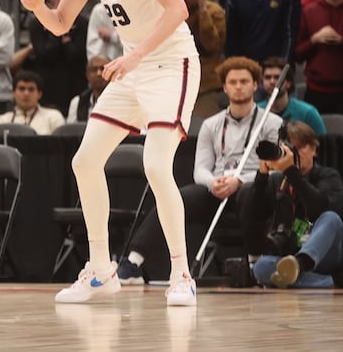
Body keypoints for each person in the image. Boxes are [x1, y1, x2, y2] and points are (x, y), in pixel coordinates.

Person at [23, 0, 202, 307]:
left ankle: (181, 273)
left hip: (170, 63)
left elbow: (178, 8)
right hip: (132, 67)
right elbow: (63, 24)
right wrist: (40, 10)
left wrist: (136, 55)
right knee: (85, 161)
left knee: (157, 166)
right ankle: (102, 270)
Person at [117, 58, 280, 286]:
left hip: (252, 186)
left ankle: (255, 264)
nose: (238, 86)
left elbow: (276, 169)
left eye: (244, 81)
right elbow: (200, 169)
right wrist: (213, 182)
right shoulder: (211, 124)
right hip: (218, 187)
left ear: (255, 85)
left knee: (252, 192)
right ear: (224, 87)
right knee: (176, 198)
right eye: (232, 82)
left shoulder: (272, 123)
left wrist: (239, 180)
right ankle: (133, 262)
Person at [245, 121, 343, 289]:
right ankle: (338, 280)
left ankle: (301, 265)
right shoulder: (277, 182)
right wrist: (262, 176)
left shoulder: (328, 175)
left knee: (331, 218)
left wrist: (291, 172)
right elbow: (251, 215)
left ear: (314, 149)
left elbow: (319, 208)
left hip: (332, 254)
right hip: (292, 256)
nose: (296, 153)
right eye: (290, 148)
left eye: (300, 147)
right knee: (261, 267)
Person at [13, 0, 89, 111]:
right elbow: (45, 55)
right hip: (48, 87)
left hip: (75, 85)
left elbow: (78, 57)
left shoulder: (83, 22)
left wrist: (57, 31)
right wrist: (60, 28)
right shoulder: (35, 23)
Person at [259, 57, 327, 136]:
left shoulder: (308, 113)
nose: (272, 82)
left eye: (277, 78)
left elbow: (323, 145)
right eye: (267, 77)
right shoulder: (255, 112)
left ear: (288, 83)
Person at [0, 70, 65, 134]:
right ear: (13, 93)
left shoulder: (53, 117)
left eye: (31, 89)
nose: (26, 94)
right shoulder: (2, 121)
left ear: (39, 94)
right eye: (22, 89)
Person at [66, 56, 111, 123]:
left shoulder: (123, 100)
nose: (99, 73)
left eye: (103, 69)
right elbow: (71, 131)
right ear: (87, 75)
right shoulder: (77, 102)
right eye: (94, 70)